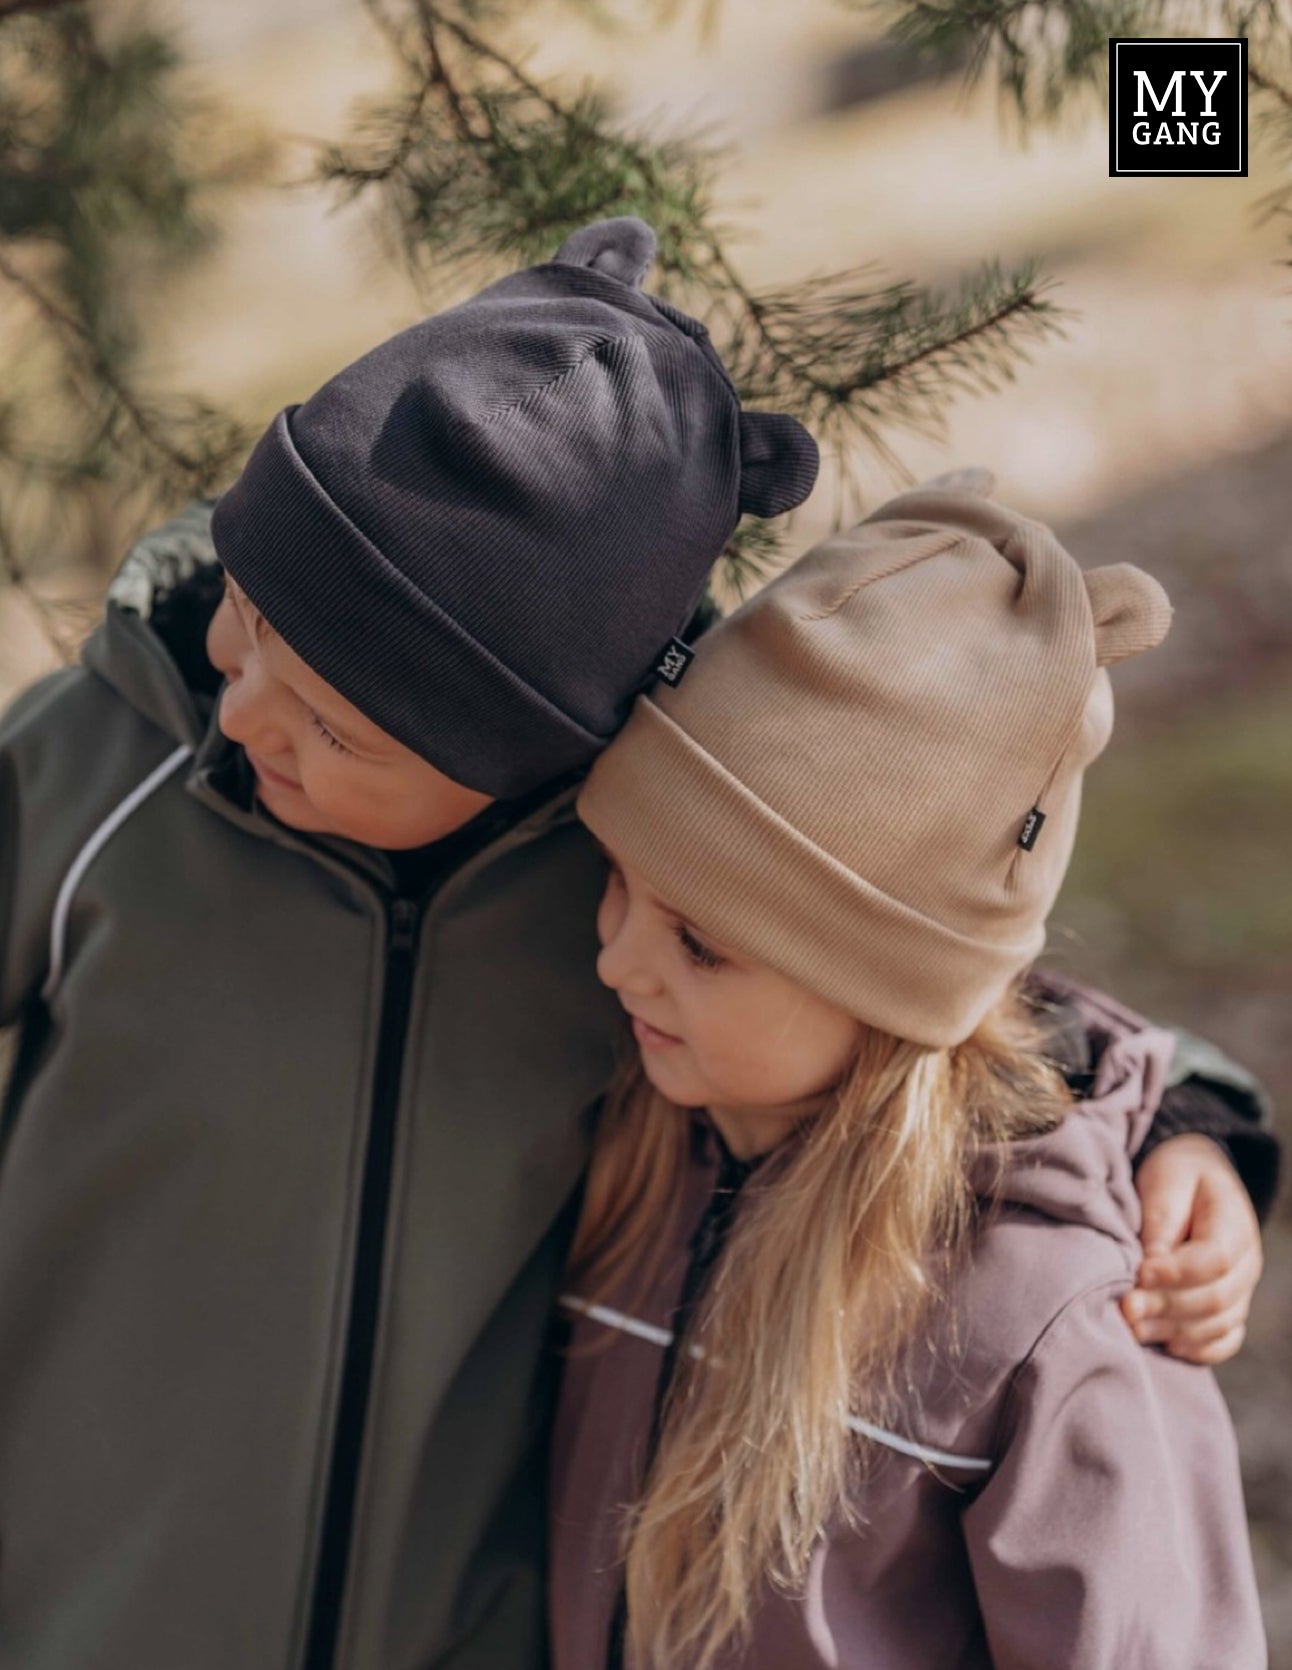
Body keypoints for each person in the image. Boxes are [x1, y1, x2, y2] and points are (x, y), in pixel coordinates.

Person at [0, 215, 1272, 1668]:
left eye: (333, 722)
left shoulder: (623, 874)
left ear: (530, 753)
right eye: (243, 617)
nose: (238, 712)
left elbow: (931, 980)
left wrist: (1186, 1121)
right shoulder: (119, 759)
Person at [551, 477, 1269, 1669]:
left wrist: (1182, 1119)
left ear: (889, 989)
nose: (611, 953)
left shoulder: (1047, 1316)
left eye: (698, 942)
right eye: (617, 878)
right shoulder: (642, 1135)